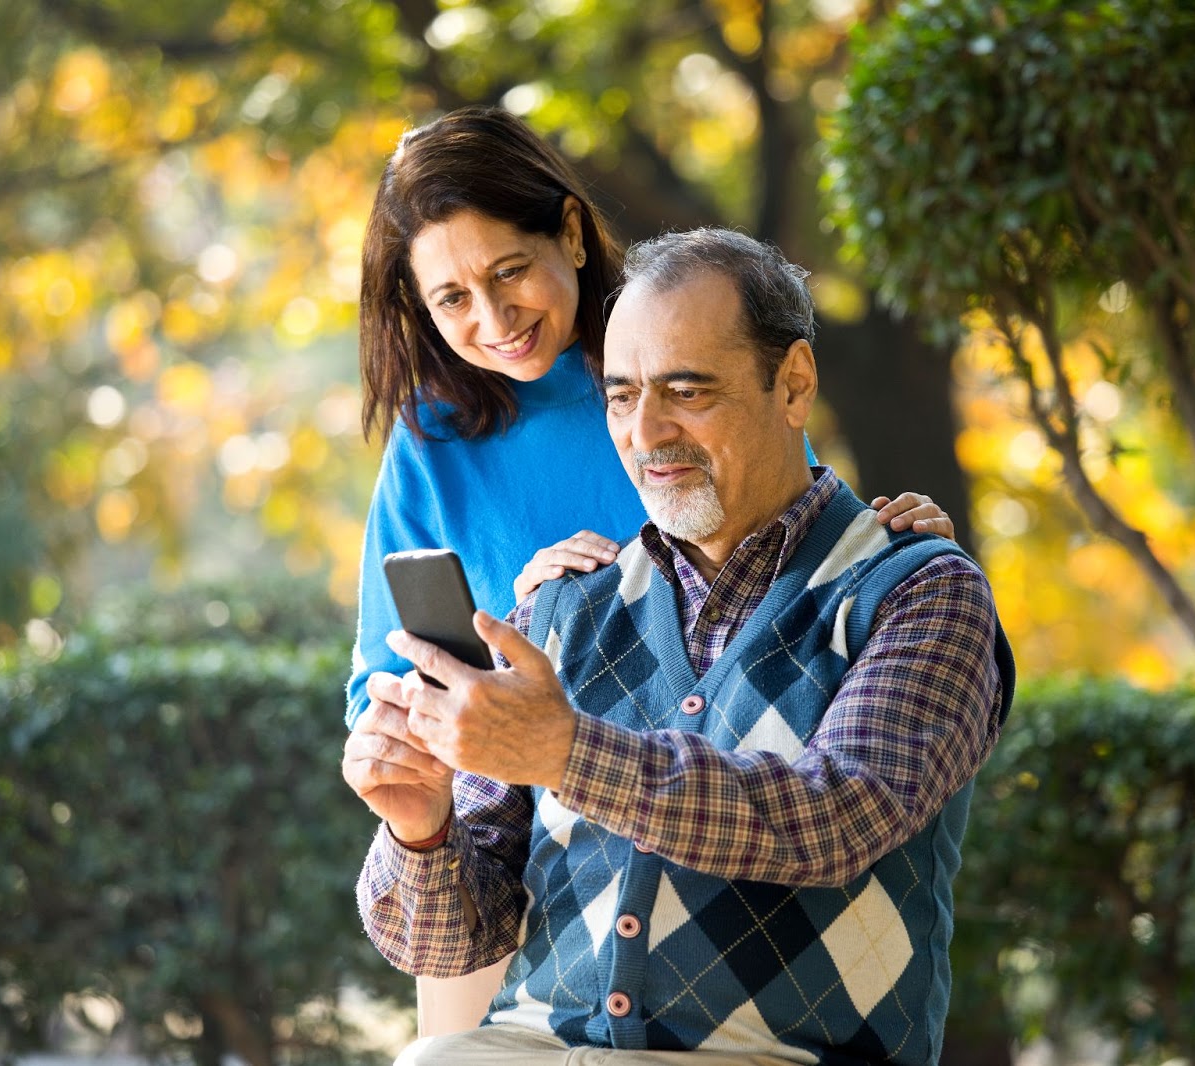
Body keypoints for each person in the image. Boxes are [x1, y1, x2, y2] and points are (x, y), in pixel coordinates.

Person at [344, 105, 955, 1028]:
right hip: (523, 836)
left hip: (720, 826)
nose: (495, 318)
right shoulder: (434, 437)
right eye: (451, 299)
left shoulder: (675, 351)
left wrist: (884, 532)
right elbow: (383, 683)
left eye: (511, 272)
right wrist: (458, 723)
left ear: (572, 233)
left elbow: (785, 530)